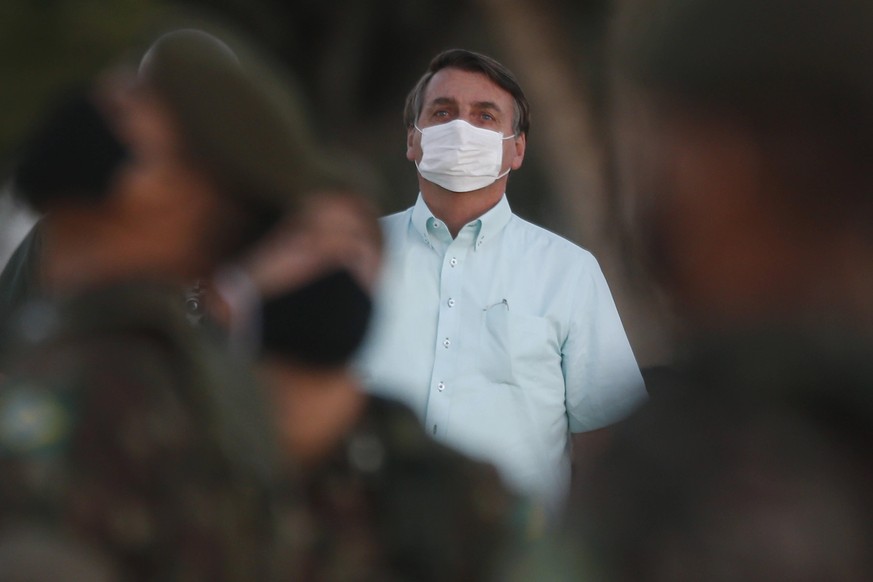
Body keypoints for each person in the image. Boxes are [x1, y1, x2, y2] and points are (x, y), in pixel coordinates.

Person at [0, 28, 328, 580]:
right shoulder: (167, 378)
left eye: (130, 102)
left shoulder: (106, 386)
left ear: (185, 195)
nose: (95, 105)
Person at [356, 48, 647, 523]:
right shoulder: (357, 256)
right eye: (443, 112)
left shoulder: (568, 272)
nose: (461, 129)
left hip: (514, 555)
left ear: (517, 149)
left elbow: (606, 440)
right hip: (367, 545)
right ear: (414, 140)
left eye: (484, 116)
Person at [215, 183, 529, 581]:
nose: (333, 262)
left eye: (355, 247)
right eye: (301, 238)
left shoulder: (442, 489)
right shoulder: (168, 410)